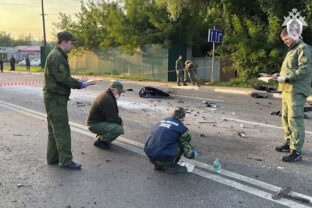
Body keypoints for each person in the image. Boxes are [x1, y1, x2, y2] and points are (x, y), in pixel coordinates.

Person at [43, 31, 87, 170]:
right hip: (55, 98)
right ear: (63, 42)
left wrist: (78, 82)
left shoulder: (58, 55)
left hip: (53, 97)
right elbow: (63, 78)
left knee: (54, 129)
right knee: (62, 129)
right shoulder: (57, 57)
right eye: (71, 43)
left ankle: (53, 158)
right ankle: (66, 160)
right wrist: (80, 84)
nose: (73, 46)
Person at [274, 27, 312, 162]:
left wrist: (288, 78)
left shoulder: (303, 49)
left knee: (294, 119)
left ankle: (296, 151)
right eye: (284, 40)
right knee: (285, 117)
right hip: (287, 90)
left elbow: (305, 69)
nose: (285, 42)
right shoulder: (292, 50)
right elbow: (290, 69)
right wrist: (279, 76)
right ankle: (289, 143)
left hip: (296, 89)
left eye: (286, 39)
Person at [144, 107, 198, 174]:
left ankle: (158, 165)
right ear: (183, 118)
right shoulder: (182, 129)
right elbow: (189, 154)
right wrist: (192, 153)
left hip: (150, 156)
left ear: (172, 114)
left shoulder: (160, 122)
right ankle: (169, 166)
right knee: (181, 142)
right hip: (164, 158)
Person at [86, 81, 125, 149]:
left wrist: (119, 121)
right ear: (113, 89)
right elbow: (112, 118)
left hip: (98, 122)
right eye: (119, 92)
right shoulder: (107, 98)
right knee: (118, 129)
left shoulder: (109, 96)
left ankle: (101, 136)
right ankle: (101, 141)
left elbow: (113, 114)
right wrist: (120, 122)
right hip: (94, 124)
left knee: (117, 124)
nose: (120, 94)